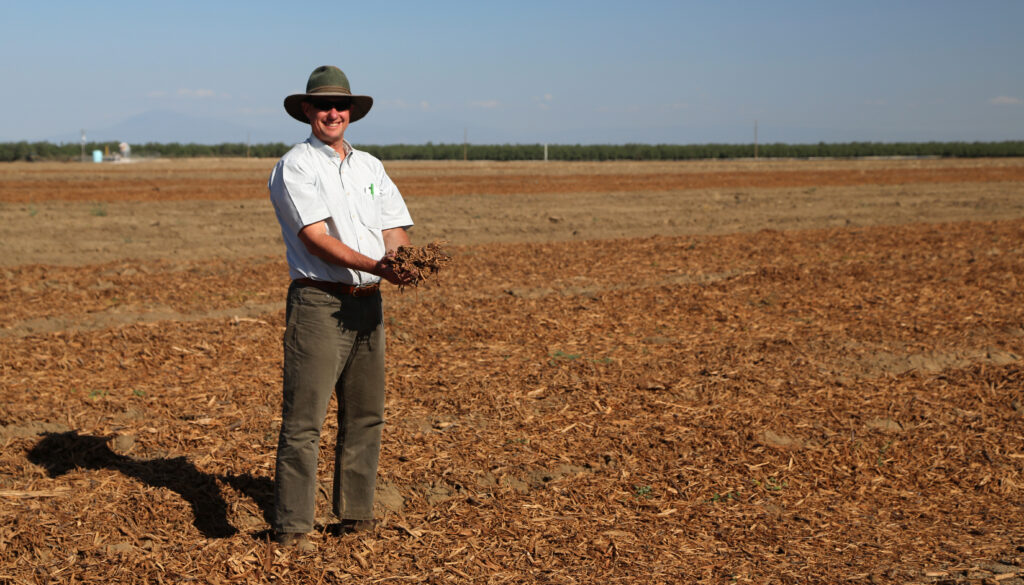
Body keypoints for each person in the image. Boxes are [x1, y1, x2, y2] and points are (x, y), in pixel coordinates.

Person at [267, 65, 413, 552]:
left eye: (342, 106)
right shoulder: (297, 166)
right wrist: (379, 263)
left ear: (352, 112)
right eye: (324, 105)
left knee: (366, 415)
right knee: (305, 420)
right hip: (319, 302)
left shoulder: (370, 166)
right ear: (306, 110)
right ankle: (292, 528)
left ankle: (355, 517)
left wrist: (399, 259)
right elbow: (317, 238)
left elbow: (394, 226)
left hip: (368, 302)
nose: (334, 112)